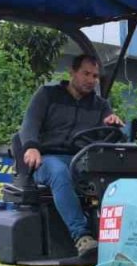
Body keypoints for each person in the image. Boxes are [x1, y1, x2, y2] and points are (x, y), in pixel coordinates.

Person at [19, 54, 124, 254]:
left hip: (82, 161)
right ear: (72, 72)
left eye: (95, 76)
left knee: (114, 181)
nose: (91, 80)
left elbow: (106, 141)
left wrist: (113, 126)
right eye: (86, 74)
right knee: (59, 172)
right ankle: (82, 237)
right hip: (47, 159)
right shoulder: (48, 95)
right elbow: (30, 123)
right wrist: (31, 146)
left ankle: (115, 237)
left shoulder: (101, 106)